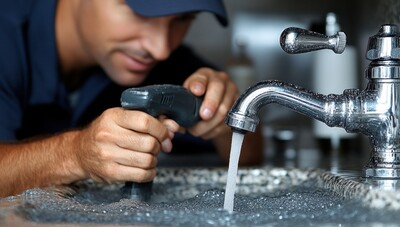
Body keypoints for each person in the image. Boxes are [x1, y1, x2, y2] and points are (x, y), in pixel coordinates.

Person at [0, 0, 263, 197]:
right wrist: (75, 153)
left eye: (183, 19)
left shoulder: (158, 60)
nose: (160, 48)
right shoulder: (7, 31)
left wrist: (223, 117)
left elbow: (252, 153)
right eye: (141, 11)